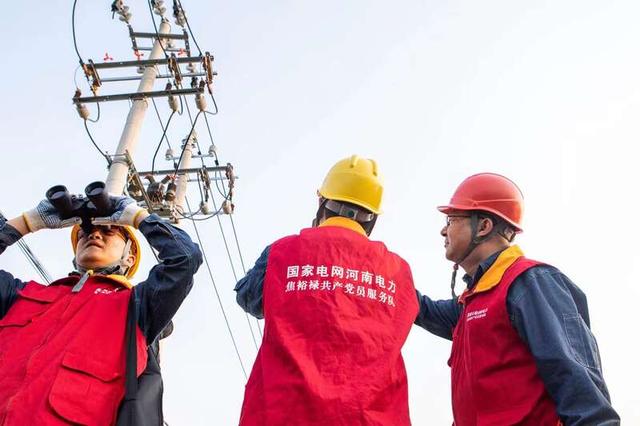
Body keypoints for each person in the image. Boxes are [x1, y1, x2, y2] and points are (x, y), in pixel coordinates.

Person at [414, 173, 619, 425]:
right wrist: (378, 268)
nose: (443, 230)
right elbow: (421, 308)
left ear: (483, 226)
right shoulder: (473, 301)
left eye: (452, 219)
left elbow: (577, 382)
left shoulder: (530, 283)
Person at [235, 155, 419, 425]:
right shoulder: (397, 271)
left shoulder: (282, 252)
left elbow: (248, 298)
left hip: (282, 414)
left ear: (322, 201)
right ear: (372, 219)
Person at [0, 193, 202, 425]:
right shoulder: (23, 295)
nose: (94, 234)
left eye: (108, 230)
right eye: (85, 232)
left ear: (129, 257)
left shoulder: (136, 306)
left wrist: (136, 216)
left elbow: (185, 258)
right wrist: (28, 222)